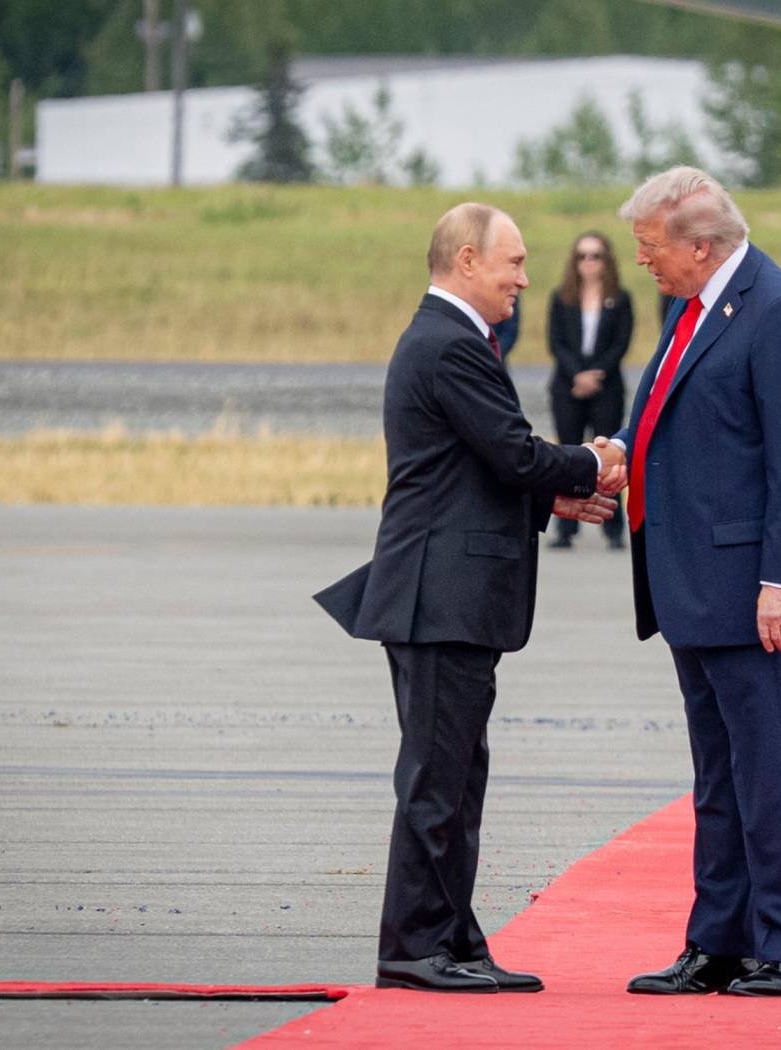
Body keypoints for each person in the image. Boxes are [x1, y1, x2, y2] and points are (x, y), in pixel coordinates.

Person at [313, 203, 621, 994]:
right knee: (436, 777)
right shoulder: (449, 344)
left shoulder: (453, 339)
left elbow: (472, 471)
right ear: (466, 259)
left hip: (448, 592)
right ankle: (415, 948)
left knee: (457, 775)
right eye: (513, 262)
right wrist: (590, 463)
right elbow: (513, 453)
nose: (525, 277)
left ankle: (451, 938)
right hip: (437, 596)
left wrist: (548, 499)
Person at [597, 167, 781, 999]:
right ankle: (717, 941)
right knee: (717, 775)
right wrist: (613, 451)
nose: (643, 262)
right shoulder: (693, 304)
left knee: (765, 770)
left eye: (651, 250)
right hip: (692, 581)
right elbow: (662, 409)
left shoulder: (779, 310)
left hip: (751, 586)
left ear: (701, 245)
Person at [548, 232, 634, 550]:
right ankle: (565, 529)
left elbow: (621, 342)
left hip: (606, 385)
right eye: (581, 256)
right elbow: (555, 342)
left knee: (609, 456)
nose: (588, 262)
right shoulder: (562, 297)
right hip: (568, 385)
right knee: (568, 454)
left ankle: (612, 528)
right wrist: (578, 374)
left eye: (595, 255)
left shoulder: (620, 298)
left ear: (606, 260)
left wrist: (597, 373)